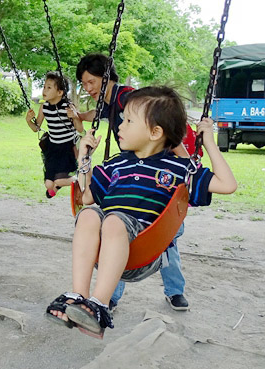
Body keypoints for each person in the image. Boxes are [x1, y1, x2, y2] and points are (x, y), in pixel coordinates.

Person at [46, 86, 237, 339]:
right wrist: (84, 157)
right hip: (105, 252)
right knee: (89, 214)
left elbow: (227, 185)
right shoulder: (117, 163)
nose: (120, 127)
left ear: (155, 132)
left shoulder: (178, 168)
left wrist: (210, 143)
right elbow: (87, 196)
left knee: (114, 220)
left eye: (128, 121)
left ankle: (99, 307)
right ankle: (79, 299)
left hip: (143, 251)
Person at [72, 53, 193, 312]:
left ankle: (174, 291)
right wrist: (81, 116)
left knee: (164, 234)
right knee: (117, 223)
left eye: (92, 82)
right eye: (84, 84)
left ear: (106, 78)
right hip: (131, 164)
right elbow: (97, 112)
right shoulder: (107, 102)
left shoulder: (127, 98)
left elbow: (161, 124)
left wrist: (185, 162)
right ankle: (107, 296)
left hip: (158, 166)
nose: (88, 88)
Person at [26, 71, 84, 199]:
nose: (44, 90)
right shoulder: (44, 107)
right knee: (48, 184)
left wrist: (74, 117)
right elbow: (36, 128)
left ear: (60, 92)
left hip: (67, 148)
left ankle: (79, 178)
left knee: (60, 180)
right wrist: (29, 121)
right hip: (52, 148)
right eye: (44, 86)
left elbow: (80, 129)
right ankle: (56, 186)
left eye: (49, 87)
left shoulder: (68, 107)